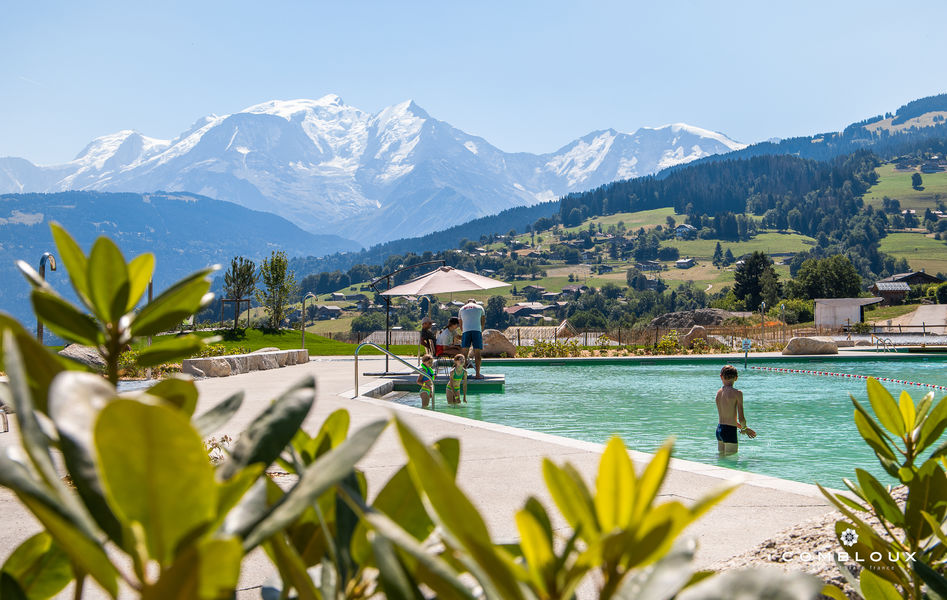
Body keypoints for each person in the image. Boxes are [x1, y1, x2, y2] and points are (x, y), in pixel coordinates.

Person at [715, 364, 756, 455]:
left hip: (719, 430)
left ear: (721, 377)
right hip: (729, 431)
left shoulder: (718, 393)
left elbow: (727, 419)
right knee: (731, 462)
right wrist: (744, 428)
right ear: (736, 378)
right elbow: (741, 418)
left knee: (721, 461)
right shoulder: (737, 393)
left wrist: (743, 428)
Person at [458, 298, 486, 379]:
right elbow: (483, 321)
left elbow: (460, 322)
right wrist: (481, 331)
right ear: (475, 302)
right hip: (477, 330)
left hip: (466, 331)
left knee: (464, 354)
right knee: (477, 353)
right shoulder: (480, 308)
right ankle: (477, 374)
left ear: (467, 303)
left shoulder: (462, 309)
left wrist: (463, 332)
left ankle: (462, 374)